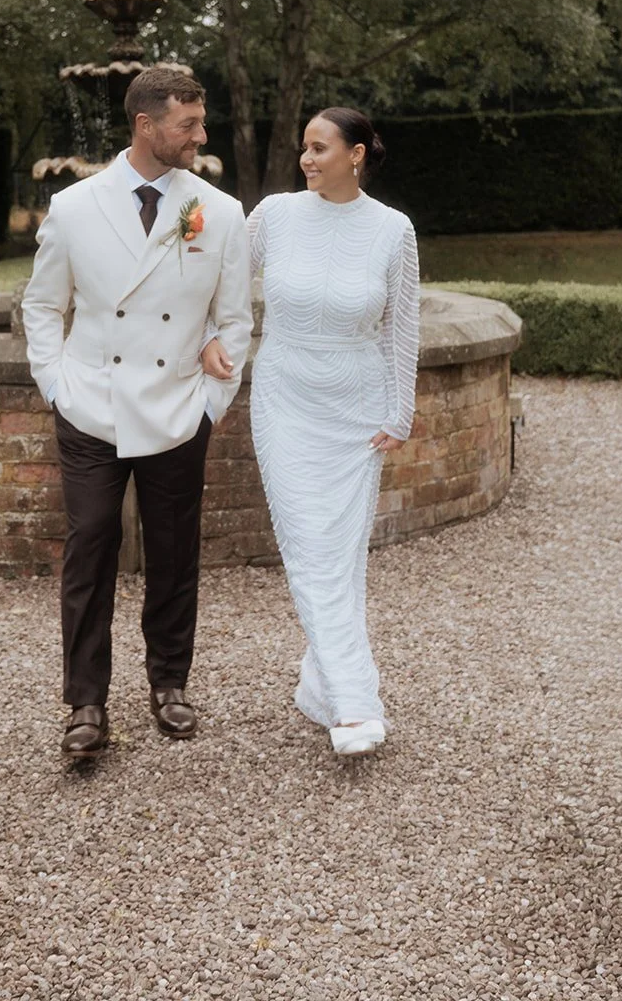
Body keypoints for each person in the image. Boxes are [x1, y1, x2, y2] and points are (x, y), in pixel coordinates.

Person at [22, 66, 253, 760]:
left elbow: (235, 318)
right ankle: (85, 703)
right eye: (188, 124)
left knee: (174, 551)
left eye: (200, 122)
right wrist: (55, 385)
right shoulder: (73, 207)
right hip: (90, 406)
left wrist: (212, 399)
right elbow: (40, 305)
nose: (200, 135)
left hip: (179, 406)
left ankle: (169, 683)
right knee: (91, 543)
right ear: (145, 125)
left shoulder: (220, 211)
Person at [202, 107, 419, 757]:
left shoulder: (392, 230)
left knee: (342, 553)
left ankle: (318, 688)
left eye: (320, 148)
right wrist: (213, 337)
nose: (307, 158)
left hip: (358, 409)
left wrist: (398, 410)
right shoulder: (273, 216)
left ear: (356, 154)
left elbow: (400, 325)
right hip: (286, 399)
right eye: (304, 148)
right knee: (309, 549)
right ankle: (354, 703)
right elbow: (226, 286)